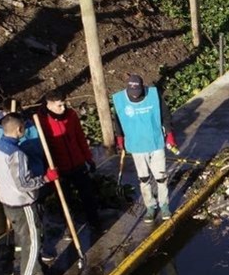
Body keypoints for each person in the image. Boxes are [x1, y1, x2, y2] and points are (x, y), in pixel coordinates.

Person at [0, 113, 59, 275]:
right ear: (19, 130)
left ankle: (38, 272)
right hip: (23, 204)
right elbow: (24, 183)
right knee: (33, 244)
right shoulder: (16, 153)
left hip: (7, 203)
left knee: (24, 239)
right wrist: (46, 178)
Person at [111, 74, 180, 223]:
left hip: (155, 142)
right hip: (136, 144)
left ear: (142, 88)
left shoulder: (154, 95)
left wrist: (169, 133)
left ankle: (164, 205)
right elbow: (118, 121)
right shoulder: (120, 100)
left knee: (161, 177)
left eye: (138, 93)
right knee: (143, 178)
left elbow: (166, 115)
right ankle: (150, 206)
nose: (135, 97)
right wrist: (119, 138)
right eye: (132, 94)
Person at [36, 91, 102, 233]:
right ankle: (69, 227)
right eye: (59, 106)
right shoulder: (42, 121)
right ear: (50, 105)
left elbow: (80, 138)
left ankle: (95, 222)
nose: (63, 108)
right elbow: (42, 148)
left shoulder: (71, 115)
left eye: (64, 104)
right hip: (59, 167)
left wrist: (88, 158)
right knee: (64, 199)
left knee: (88, 195)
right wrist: (48, 168)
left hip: (77, 162)